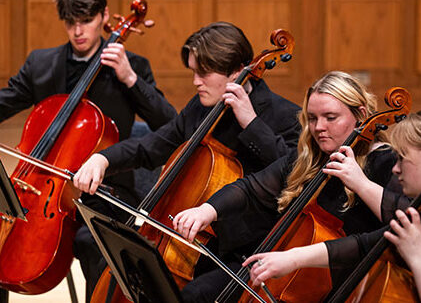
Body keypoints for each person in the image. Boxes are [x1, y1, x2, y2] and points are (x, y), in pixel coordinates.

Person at [74, 21, 302, 300]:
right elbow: (152, 147)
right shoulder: (200, 106)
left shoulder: (286, 116)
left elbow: (294, 176)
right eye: (194, 72)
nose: (195, 82)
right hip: (188, 238)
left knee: (191, 294)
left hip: (242, 250)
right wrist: (103, 159)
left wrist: (250, 123)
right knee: (103, 251)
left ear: (236, 72)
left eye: (203, 73)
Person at [0, 0, 177, 301]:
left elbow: (170, 127)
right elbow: (6, 100)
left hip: (106, 190)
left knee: (90, 241)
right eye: (70, 23)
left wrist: (131, 79)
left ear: (105, 16)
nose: (78, 32)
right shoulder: (41, 64)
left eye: (86, 21)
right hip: (40, 189)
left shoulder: (131, 66)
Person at [172, 71, 399, 302]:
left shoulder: (385, 162)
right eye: (312, 118)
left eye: (330, 117)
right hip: (282, 274)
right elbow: (250, 188)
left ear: (360, 115)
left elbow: (406, 218)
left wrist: (361, 184)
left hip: (333, 284)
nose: (318, 127)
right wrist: (206, 210)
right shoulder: (311, 157)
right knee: (196, 294)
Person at [243, 105, 421, 303]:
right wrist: (292, 258)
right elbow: (362, 245)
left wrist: (419, 258)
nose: (395, 169)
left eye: (402, 158)